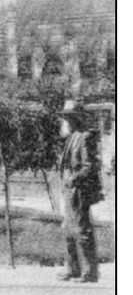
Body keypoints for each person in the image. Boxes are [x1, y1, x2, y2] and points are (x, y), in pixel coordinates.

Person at [55, 100, 102, 283]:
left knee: (82, 229)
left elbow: (90, 166)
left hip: (79, 190)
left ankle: (90, 272)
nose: (68, 120)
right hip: (68, 189)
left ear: (78, 118)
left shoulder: (86, 137)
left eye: (70, 117)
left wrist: (74, 178)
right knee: (68, 230)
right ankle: (73, 269)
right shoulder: (72, 137)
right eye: (67, 117)